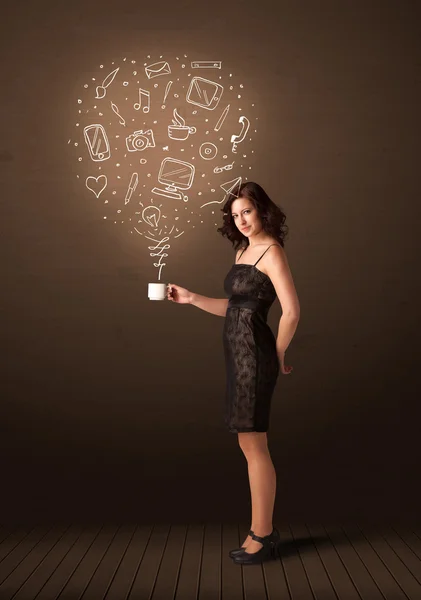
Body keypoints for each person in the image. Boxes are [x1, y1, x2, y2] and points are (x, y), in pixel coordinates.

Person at [166, 182, 300, 564]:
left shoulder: (272, 251)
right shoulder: (243, 248)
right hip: (239, 357)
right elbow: (235, 307)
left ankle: (262, 534)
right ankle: (263, 531)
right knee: (248, 444)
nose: (241, 220)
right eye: (236, 214)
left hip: (255, 356)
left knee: (254, 445)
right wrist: (191, 298)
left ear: (262, 211)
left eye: (248, 212)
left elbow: (291, 311)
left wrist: (276, 353)